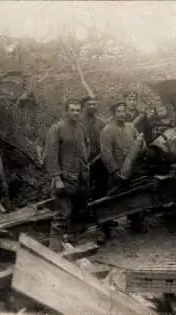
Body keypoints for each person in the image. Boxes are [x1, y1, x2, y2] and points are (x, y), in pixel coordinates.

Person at [44, 99, 90, 250]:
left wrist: (85, 167)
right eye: (72, 110)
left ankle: (71, 240)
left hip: (80, 176)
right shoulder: (56, 129)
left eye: (78, 110)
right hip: (65, 177)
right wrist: (57, 178)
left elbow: (84, 149)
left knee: (77, 210)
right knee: (63, 212)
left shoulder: (80, 128)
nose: (75, 113)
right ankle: (55, 246)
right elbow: (51, 155)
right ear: (66, 110)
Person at [100, 102, 147, 234]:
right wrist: (114, 170)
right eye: (119, 111)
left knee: (137, 194)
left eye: (123, 111)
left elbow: (141, 141)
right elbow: (106, 153)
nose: (122, 114)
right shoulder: (107, 131)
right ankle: (105, 227)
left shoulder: (131, 127)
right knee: (112, 198)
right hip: (118, 171)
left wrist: (142, 146)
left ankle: (137, 223)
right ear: (113, 113)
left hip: (134, 168)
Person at [80, 96, 108, 200]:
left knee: (102, 185)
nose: (92, 107)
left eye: (94, 104)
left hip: (100, 159)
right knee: (85, 188)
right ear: (84, 107)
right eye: (89, 105)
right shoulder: (78, 122)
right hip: (84, 161)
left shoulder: (101, 123)